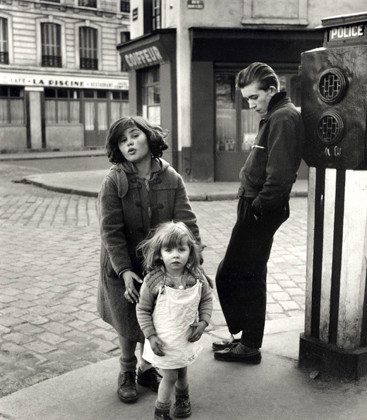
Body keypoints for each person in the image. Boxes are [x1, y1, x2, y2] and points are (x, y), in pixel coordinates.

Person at [97, 116, 202, 404]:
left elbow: (187, 224)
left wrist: (196, 261)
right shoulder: (114, 180)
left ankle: (146, 369)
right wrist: (124, 270)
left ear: (149, 137)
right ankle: (127, 371)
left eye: (134, 136)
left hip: (159, 264)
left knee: (156, 316)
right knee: (127, 318)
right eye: (122, 140)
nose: (129, 143)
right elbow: (110, 231)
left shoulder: (172, 178)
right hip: (122, 264)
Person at [213, 62, 304, 363]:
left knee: (238, 274)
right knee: (243, 273)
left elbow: (279, 178)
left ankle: (249, 344)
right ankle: (245, 338)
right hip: (255, 204)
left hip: (260, 207)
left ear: (271, 90)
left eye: (254, 97)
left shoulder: (283, 118)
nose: (250, 105)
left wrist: (257, 209)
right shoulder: (274, 115)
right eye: (247, 99)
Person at [136, 221, 213, 420]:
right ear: (160, 253)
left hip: (186, 337)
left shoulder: (196, 277)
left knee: (182, 371)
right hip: (164, 340)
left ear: (190, 251)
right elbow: (143, 309)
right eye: (169, 250)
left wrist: (203, 323)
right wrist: (150, 336)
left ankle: (183, 398)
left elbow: (206, 299)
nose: (176, 254)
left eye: (181, 249)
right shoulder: (154, 280)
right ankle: (160, 412)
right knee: (169, 375)